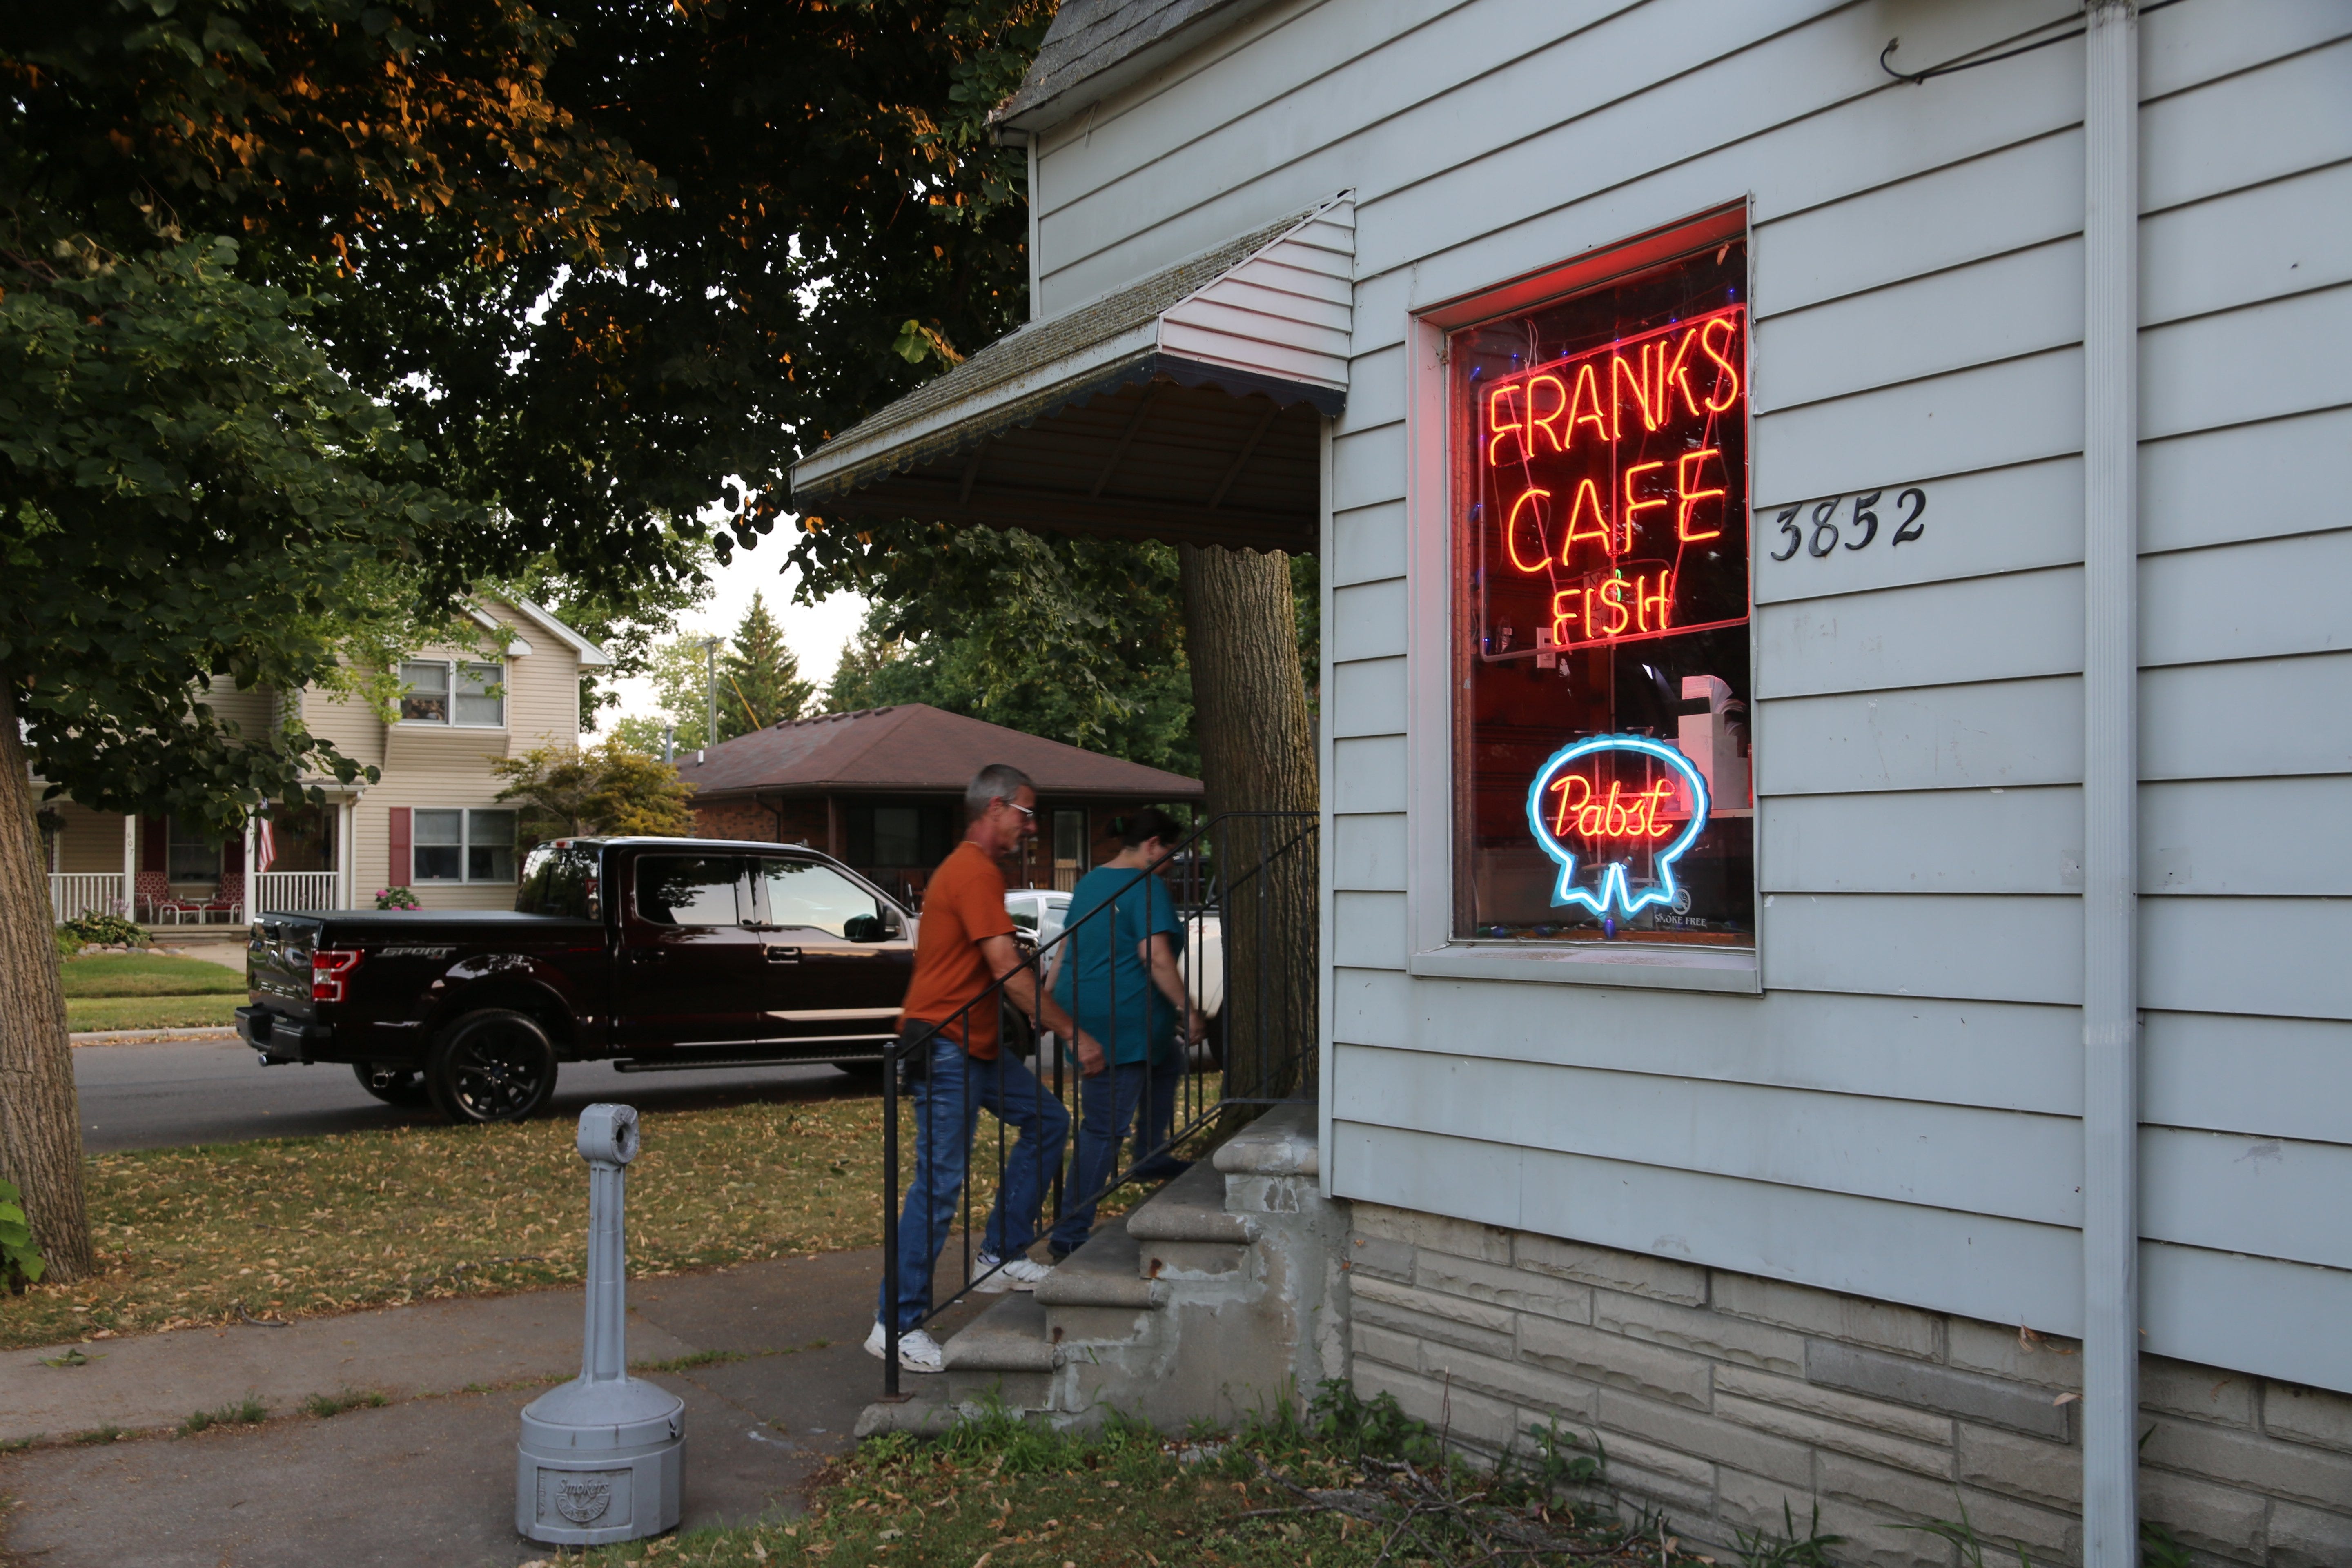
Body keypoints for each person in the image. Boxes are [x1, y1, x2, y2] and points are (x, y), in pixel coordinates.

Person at [867, 764, 1105, 1374]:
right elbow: (1006, 968)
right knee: (939, 1185)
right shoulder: (972, 870)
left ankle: (998, 1254)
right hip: (944, 1048)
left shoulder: (980, 872)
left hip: (976, 1047)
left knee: (1049, 1122)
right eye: (1026, 813)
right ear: (995, 808)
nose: (1031, 826)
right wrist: (1073, 1033)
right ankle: (895, 1325)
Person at [1045, 806, 1207, 1263]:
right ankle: (1070, 1233)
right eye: (1172, 852)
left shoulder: (1091, 881)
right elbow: (1155, 957)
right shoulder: (1146, 885)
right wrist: (1189, 1010)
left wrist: (1049, 995)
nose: (1174, 863)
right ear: (1154, 845)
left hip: (1092, 1007)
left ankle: (1151, 1153)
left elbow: (1068, 944)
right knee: (1103, 1126)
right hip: (1120, 1018)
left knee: (1168, 1061)